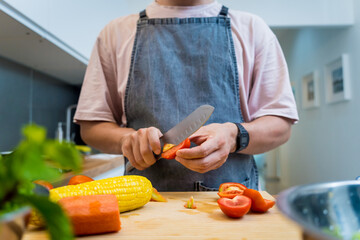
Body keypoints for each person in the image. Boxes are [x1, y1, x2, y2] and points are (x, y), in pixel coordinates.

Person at [74, 0, 299, 191]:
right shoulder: (114, 34)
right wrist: (127, 140)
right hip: (145, 206)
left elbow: (280, 125)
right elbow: (91, 128)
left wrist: (233, 136)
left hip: (231, 204)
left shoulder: (253, 29)